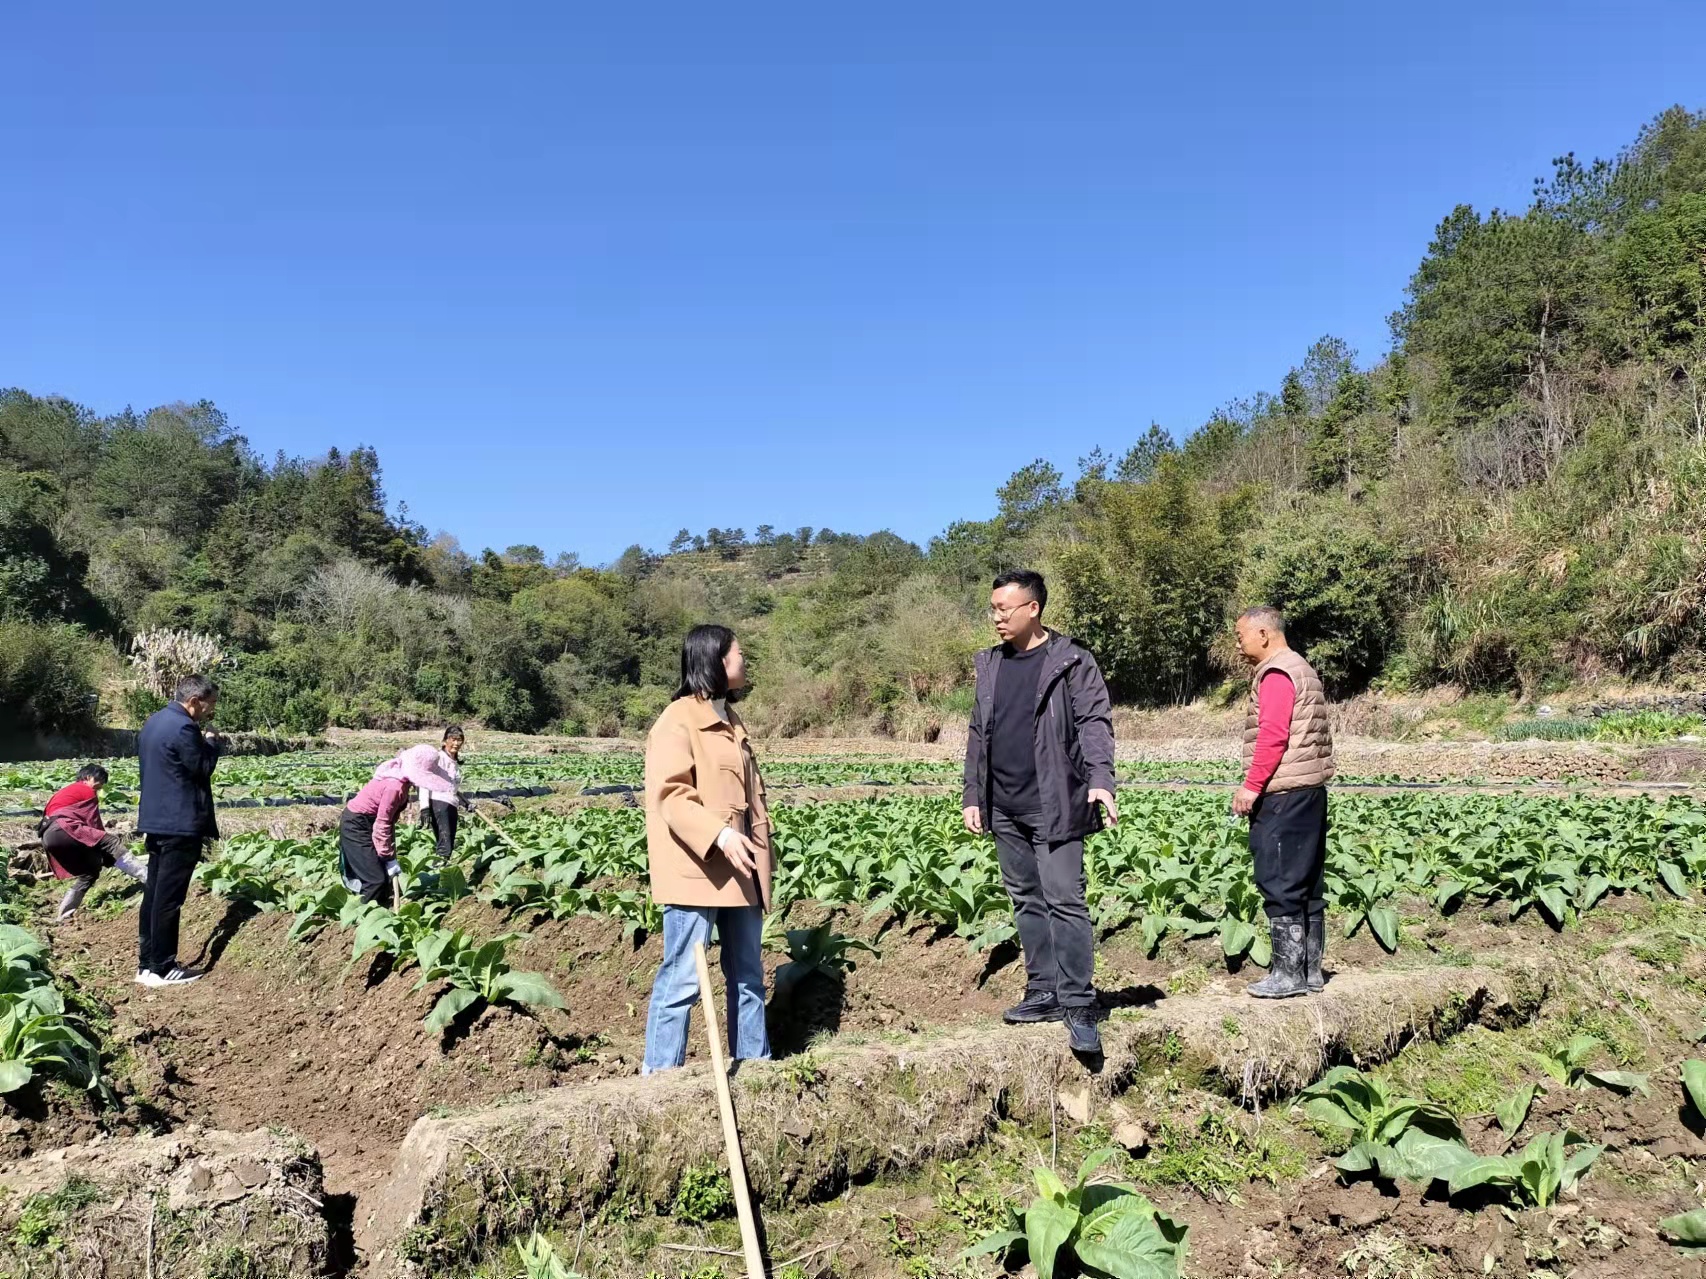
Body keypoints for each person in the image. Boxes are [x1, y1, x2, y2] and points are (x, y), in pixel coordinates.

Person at [962, 569, 1118, 1055]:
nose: (996, 618)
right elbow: (977, 733)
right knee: (1027, 900)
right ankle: (1044, 990)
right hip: (1003, 804)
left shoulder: (1072, 661)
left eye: (1004, 609)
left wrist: (1101, 781)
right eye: (993, 609)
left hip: (1056, 800)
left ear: (1033, 608)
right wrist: (973, 794)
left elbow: (1095, 721)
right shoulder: (990, 665)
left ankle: (1078, 1003)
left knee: (1065, 899)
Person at [640, 624, 772, 1075]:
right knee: (682, 980)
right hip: (699, 869)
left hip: (743, 867)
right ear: (714, 660)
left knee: (749, 978)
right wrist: (719, 834)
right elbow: (671, 795)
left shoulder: (732, 721)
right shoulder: (677, 720)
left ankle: (755, 1070)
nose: (744, 658)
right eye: (738, 652)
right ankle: (660, 1081)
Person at [1230, 606, 1337, 999]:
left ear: (1263, 634)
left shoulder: (1277, 673)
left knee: (1279, 879)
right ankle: (1310, 973)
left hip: (1284, 793)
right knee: (1307, 880)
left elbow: (1273, 735)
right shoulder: (1302, 667)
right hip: (1310, 790)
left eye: (1241, 635)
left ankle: (1288, 975)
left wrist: (1251, 786)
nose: (1238, 643)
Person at [136, 673, 225, 987]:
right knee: (169, 899)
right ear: (194, 701)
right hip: (180, 824)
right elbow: (201, 768)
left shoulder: (153, 722)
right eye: (209, 704)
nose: (210, 711)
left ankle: (146, 965)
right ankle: (163, 967)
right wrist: (212, 743)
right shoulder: (185, 727)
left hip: (155, 821)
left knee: (154, 893)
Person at [339, 745, 459, 906]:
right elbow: (382, 824)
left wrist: (387, 854)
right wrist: (388, 857)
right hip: (356, 825)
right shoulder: (394, 787)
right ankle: (364, 920)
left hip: (367, 822)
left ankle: (383, 916)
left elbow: (387, 822)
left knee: (383, 879)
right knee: (375, 880)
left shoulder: (402, 782)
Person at [40, 764, 149, 923]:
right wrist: (109, 853)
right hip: (65, 828)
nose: (99, 786)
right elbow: (94, 825)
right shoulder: (86, 790)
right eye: (98, 780)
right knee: (111, 842)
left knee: (89, 872)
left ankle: (63, 916)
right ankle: (149, 877)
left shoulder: (64, 791)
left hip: (49, 836)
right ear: (87, 777)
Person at [418, 725, 467, 859]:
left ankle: (439, 874)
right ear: (445, 741)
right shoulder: (437, 758)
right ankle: (436, 875)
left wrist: (465, 802)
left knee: (448, 845)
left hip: (451, 804)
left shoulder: (454, 762)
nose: (456, 743)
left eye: (459, 740)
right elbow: (424, 781)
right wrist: (425, 808)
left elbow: (452, 788)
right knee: (445, 847)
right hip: (439, 804)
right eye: (453, 739)